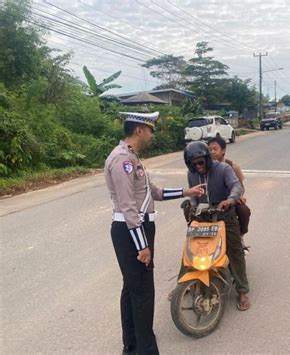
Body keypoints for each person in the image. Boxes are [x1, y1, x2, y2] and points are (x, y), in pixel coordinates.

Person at [104, 111, 204, 355]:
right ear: (139, 129)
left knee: (132, 290)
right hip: (131, 232)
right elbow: (129, 208)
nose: (152, 135)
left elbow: (154, 193)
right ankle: (146, 350)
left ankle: (132, 346)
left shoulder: (132, 157)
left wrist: (186, 192)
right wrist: (142, 245)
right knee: (143, 295)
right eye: (150, 130)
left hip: (136, 228)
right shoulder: (122, 160)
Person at [183, 141, 251, 311]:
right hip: (203, 216)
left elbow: (236, 186)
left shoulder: (223, 169)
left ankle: (242, 291)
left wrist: (230, 200)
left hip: (224, 215)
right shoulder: (191, 174)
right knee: (191, 248)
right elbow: (192, 194)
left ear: (207, 158)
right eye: (193, 164)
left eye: (200, 162)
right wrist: (192, 205)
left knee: (234, 251)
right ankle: (184, 283)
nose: (198, 166)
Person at [208, 136, 251, 251]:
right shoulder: (205, 167)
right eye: (209, 149)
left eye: (215, 149)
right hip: (211, 201)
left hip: (230, 200)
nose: (212, 152)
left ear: (223, 151)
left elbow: (239, 186)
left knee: (244, 211)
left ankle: (240, 235)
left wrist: (238, 197)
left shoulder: (233, 166)